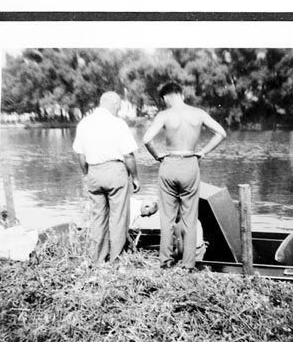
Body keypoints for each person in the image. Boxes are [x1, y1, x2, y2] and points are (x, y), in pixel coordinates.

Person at [141, 82, 226, 271]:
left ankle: (166, 261)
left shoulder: (164, 115)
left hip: (169, 163)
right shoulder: (198, 113)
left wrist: (157, 155)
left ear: (165, 97)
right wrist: (203, 152)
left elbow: (146, 139)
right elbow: (221, 133)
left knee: (167, 217)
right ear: (181, 94)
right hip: (190, 163)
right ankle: (188, 265)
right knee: (190, 216)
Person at [73, 92, 141, 264]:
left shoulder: (84, 123)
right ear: (116, 104)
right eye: (119, 106)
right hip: (115, 171)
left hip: (93, 171)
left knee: (98, 217)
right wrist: (135, 178)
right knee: (118, 217)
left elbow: (80, 155)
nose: (119, 109)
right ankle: (115, 259)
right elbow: (129, 156)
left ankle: (98, 259)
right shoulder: (118, 124)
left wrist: (87, 174)